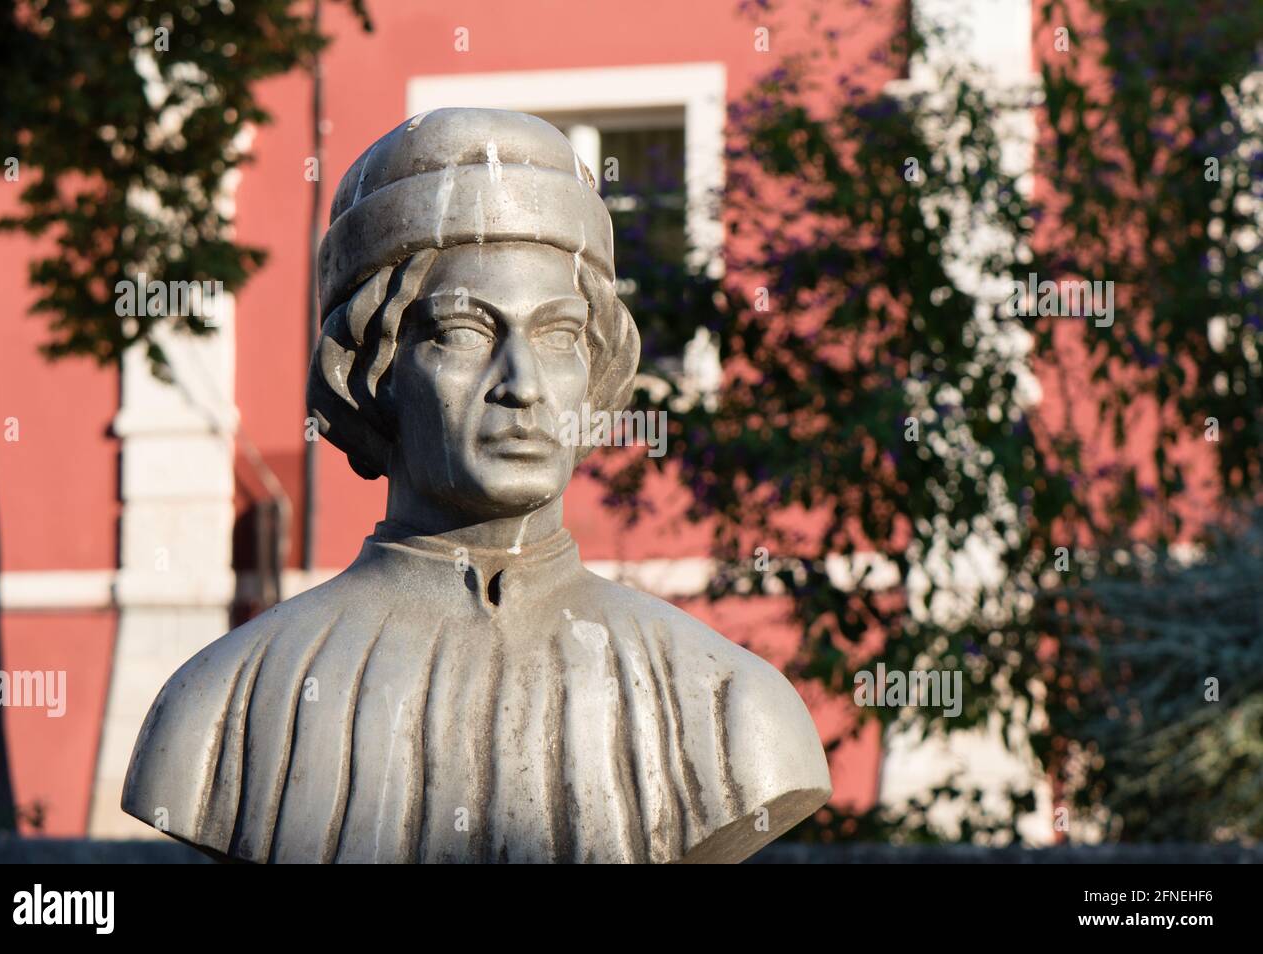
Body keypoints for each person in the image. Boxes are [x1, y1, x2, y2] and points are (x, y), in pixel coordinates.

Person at [121, 108, 831, 863]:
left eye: (559, 336)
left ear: (596, 369)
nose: (522, 386)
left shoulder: (731, 713)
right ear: (372, 371)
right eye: (465, 333)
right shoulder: (221, 712)